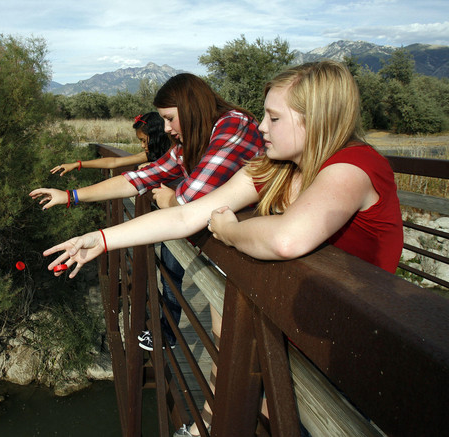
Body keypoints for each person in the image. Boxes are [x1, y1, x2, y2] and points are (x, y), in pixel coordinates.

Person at [41, 61, 404, 437]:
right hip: (287, 334)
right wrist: (101, 239)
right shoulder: (276, 166)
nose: (260, 126)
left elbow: (286, 239)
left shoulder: (355, 166)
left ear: (318, 119)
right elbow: (187, 217)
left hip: (339, 354)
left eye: (273, 118)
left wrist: (231, 231)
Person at [30, 73, 264, 361]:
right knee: (227, 353)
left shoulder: (234, 125)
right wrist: (71, 197)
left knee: (242, 358)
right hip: (228, 253)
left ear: (191, 107)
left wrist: (169, 199)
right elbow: (141, 178)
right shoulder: (192, 140)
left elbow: (188, 201)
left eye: (169, 118)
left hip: (258, 262)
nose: (165, 128)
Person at [50, 113, 171, 176]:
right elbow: (113, 162)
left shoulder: (175, 152)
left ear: (156, 137)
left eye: (144, 140)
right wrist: (77, 164)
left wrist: (156, 167)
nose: (142, 146)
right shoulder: (150, 154)